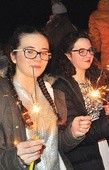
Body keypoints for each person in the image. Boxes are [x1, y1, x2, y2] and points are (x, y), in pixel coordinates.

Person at [0, 26, 92, 170]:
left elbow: (54, 146)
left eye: (43, 53)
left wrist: (72, 133)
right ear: (13, 56)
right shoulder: (3, 96)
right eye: (30, 52)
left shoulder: (49, 90)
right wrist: (17, 158)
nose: (38, 58)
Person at [52, 30, 109, 170]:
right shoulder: (61, 87)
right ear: (68, 55)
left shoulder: (95, 80)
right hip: (84, 157)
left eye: (90, 50)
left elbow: (100, 112)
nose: (88, 55)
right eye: (81, 51)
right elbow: (72, 135)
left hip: (105, 147)